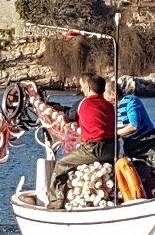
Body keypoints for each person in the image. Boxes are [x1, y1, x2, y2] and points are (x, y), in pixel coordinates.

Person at [46, 74, 116, 210]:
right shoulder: (110, 105)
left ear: (89, 87)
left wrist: (54, 109)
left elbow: (69, 115)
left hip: (94, 148)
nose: (82, 90)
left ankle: (56, 202)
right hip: (112, 148)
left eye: (84, 87)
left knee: (61, 165)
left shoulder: (83, 103)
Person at [104, 84, 155, 174]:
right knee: (135, 172)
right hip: (130, 145)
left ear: (112, 94)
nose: (103, 97)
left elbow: (134, 126)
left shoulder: (130, 101)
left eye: (104, 94)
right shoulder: (112, 108)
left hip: (148, 142)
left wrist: (115, 134)